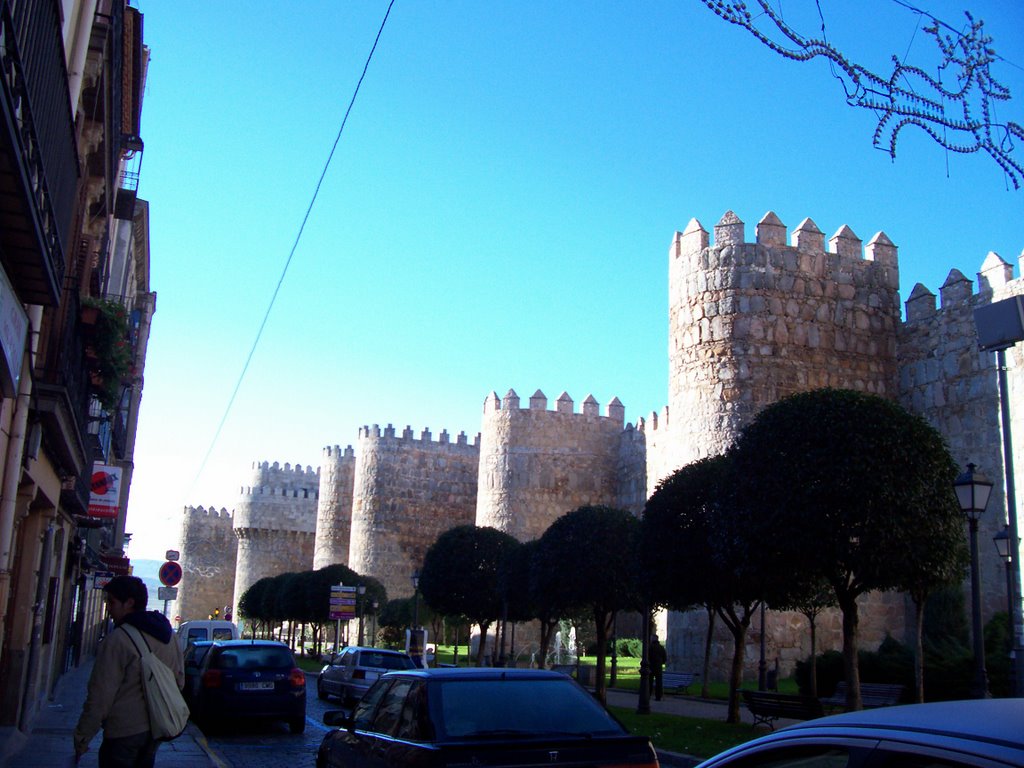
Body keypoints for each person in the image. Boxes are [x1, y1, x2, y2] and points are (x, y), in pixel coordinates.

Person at [74, 575, 184, 767]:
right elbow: (179, 680)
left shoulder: (118, 639)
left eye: (112, 602)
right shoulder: (169, 636)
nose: (108, 607)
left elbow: (100, 695)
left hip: (123, 731)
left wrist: (83, 736)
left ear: (129, 603)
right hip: (156, 728)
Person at [649, 633, 667, 701]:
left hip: (651, 666)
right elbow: (664, 658)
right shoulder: (661, 647)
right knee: (659, 682)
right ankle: (658, 696)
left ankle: (648, 694)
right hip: (658, 666)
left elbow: (648, 656)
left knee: (649, 681)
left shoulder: (650, 647)